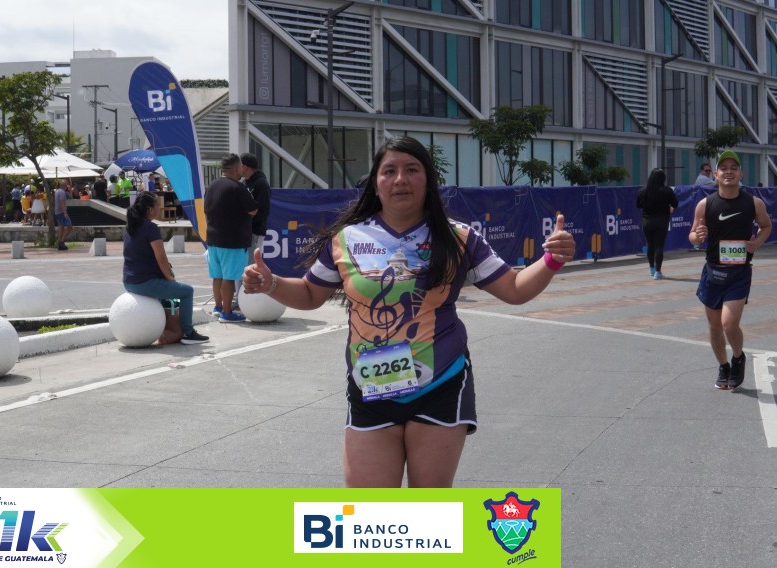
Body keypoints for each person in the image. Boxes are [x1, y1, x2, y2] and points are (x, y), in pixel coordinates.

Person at [241, 136, 576, 487]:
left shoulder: (459, 238)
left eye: (412, 170)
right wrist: (271, 283)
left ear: (428, 179)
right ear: (376, 184)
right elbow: (310, 294)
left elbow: (515, 289)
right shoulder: (346, 239)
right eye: (389, 171)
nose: (400, 179)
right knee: (371, 513)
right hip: (371, 388)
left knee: (424, 510)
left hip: (440, 383)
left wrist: (552, 259)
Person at [689, 150, 772, 391]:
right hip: (712, 271)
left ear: (740, 174)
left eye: (733, 168)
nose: (728, 172)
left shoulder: (753, 203)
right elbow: (693, 236)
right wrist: (698, 237)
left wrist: (757, 242)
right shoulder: (705, 205)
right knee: (715, 326)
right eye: (723, 168)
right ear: (715, 175)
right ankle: (723, 366)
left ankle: (738, 357)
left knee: (728, 323)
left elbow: (766, 226)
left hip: (739, 273)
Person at [122, 192, 209, 345]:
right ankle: (188, 333)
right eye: (157, 206)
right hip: (144, 283)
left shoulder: (130, 227)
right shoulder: (151, 228)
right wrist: (170, 277)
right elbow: (161, 258)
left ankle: (168, 329)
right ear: (150, 210)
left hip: (129, 281)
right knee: (187, 291)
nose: (159, 209)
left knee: (168, 294)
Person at [204, 153, 257, 323]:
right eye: (241, 166)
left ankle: (218, 307)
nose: (242, 169)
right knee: (229, 278)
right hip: (233, 241)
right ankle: (227, 313)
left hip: (213, 239)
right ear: (236, 168)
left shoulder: (211, 186)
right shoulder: (238, 187)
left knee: (217, 276)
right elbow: (253, 210)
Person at [234, 152, 271, 302]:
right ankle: (239, 298)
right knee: (240, 266)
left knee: (251, 266)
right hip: (243, 232)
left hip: (254, 231)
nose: (237, 168)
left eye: (238, 165)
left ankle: (248, 300)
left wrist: (248, 218)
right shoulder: (245, 183)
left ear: (244, 166)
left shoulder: (261, 184)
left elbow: (263, 210)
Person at [636, 168, 679, 280]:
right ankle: (658, 272)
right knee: (659, 246)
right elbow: (675, 204)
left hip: (647, 221)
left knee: (650, 245)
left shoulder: (643, 191)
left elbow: (638, 205)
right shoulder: (667, 190)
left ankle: (651, 268)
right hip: (662, 221)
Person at [54, 179, 73, 250]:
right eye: (67, 184)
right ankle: (62, 241)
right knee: (69, 227)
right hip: (62, 212)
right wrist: (65, 213)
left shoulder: (57, 191)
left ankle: (60, 242)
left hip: (57, 212)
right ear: (65, 185)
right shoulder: (62, 192)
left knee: (61, 227)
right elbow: (62, 202)